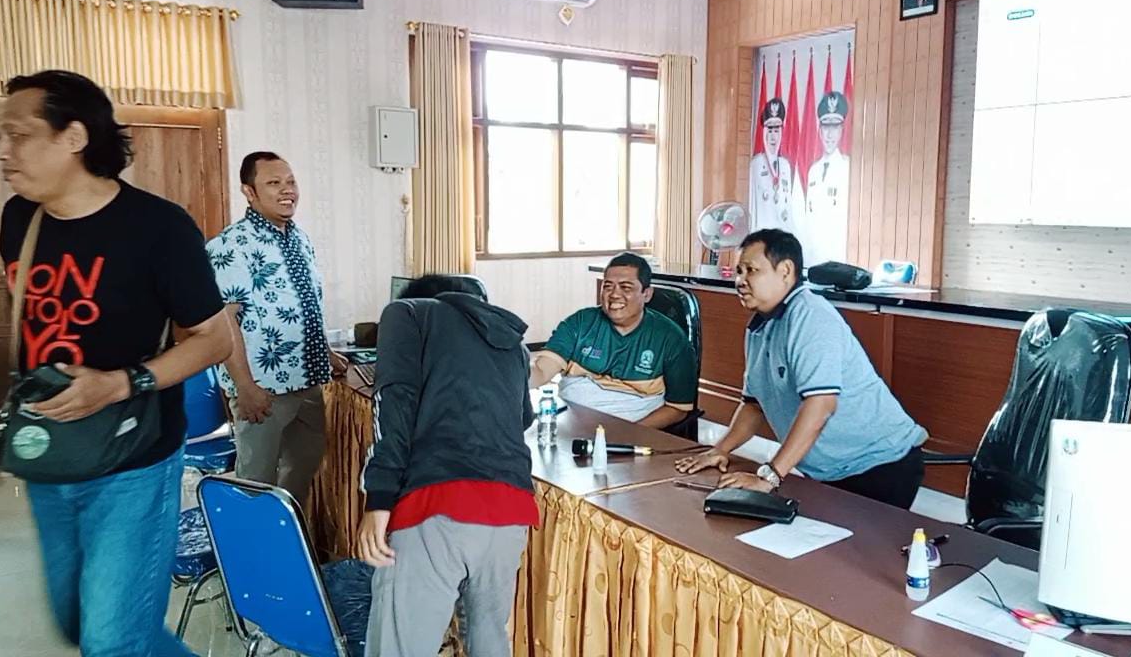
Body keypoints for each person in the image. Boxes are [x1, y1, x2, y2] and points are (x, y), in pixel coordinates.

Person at [0, 70, 232, 656]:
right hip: (50, 453)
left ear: (73, 136)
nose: (4, 150)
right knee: (83, 624)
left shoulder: (158, 227)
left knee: (111, 641)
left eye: (20, 135)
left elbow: (214, 339)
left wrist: (122, 383)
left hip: (133, 460)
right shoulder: (19, 219)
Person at [675, 229, 928, 509]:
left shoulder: (811, 317)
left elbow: (820, 405)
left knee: (849, 551)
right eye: (738, 271)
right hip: (828, 470)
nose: (740, 281)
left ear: (785, 271)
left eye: (751, 271)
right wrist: (719, 449)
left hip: (879, 464)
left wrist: (769, 476)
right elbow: (753, 405)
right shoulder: (760, 326)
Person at [357, 274, 538, 657]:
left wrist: (379, 498)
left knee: (401, 646)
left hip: (437, 503)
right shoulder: (511, 339)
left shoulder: (406, 312)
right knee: (488, 638)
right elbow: (523, 416)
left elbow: (394, 401)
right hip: (511, 510)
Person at [205, 152, 346, 507]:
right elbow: (225, 321)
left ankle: (288, 550)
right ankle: (250, 560)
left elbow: (303, 303)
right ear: (249, 192)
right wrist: (245, 387)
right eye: (273, 183)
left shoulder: (299, 239)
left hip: (308, 381)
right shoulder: (231, 245)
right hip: (263, 391)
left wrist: (325, 353)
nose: (287, 190)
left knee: (302, 469)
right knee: (256, 484)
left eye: (291, 182)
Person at [529, 252, 698, 429]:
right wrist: (511, 369)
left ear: (647, 294)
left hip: (632, 433)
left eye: (626, 288)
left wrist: (626, 434)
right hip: (571, 425)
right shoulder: (579, 323)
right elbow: (541, 371)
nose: (614, 295)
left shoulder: (671, 338)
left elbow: (678, 409)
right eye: (608, 286)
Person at [803, 91, 851, 264]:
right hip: (813, 261)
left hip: (839, 260)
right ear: (819, 130)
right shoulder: (813, 171)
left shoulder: (848, 169)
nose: (829, 135)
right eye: (825, 127)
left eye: (835, 127)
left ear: (842, 130)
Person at [749, 97, 796, 232]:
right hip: (762, 238)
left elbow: (788, 209)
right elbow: (752, 207)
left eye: (776, 131)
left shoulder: (785, 166)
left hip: (782, 237)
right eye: (769, 131)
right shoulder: (755, 165)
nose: (773, 137)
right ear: (764, 133)